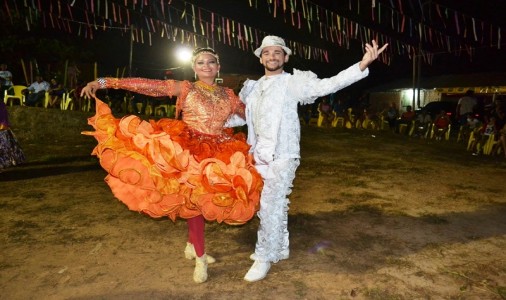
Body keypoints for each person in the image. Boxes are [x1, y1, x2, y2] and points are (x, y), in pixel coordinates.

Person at [80, 47, 263, 283]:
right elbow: (145, 85)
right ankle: (200, 257)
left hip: (220, 151)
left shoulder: (229, 94)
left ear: (218, 67)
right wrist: (103, 82)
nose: (206, 66)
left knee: (198, 201)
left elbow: (253, 115)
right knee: (195, 204)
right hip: (187, 150)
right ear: (194, 68)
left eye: (210, 62)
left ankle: (190, 246)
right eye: (200, 63)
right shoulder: (186, 88)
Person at [239, 35, 388, 282]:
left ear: (285, 57)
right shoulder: (252, 88)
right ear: (261, 58)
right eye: (267, 53)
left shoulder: (292, 83)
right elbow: (240, 118)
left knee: (270, 204)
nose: (272, 57)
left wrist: (361, 65)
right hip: (257, 154)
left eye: (277, 52)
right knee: (274, 204)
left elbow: (327, 85)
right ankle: (281, 246)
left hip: (283, 153)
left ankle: (264, 255)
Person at [0, 100, 25, 171]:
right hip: (3, 128)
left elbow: (3, 117)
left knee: (5, 146)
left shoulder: (1, 105)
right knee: (7, 146)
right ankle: (12, 160)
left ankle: (12, 160)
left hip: (2, 129)